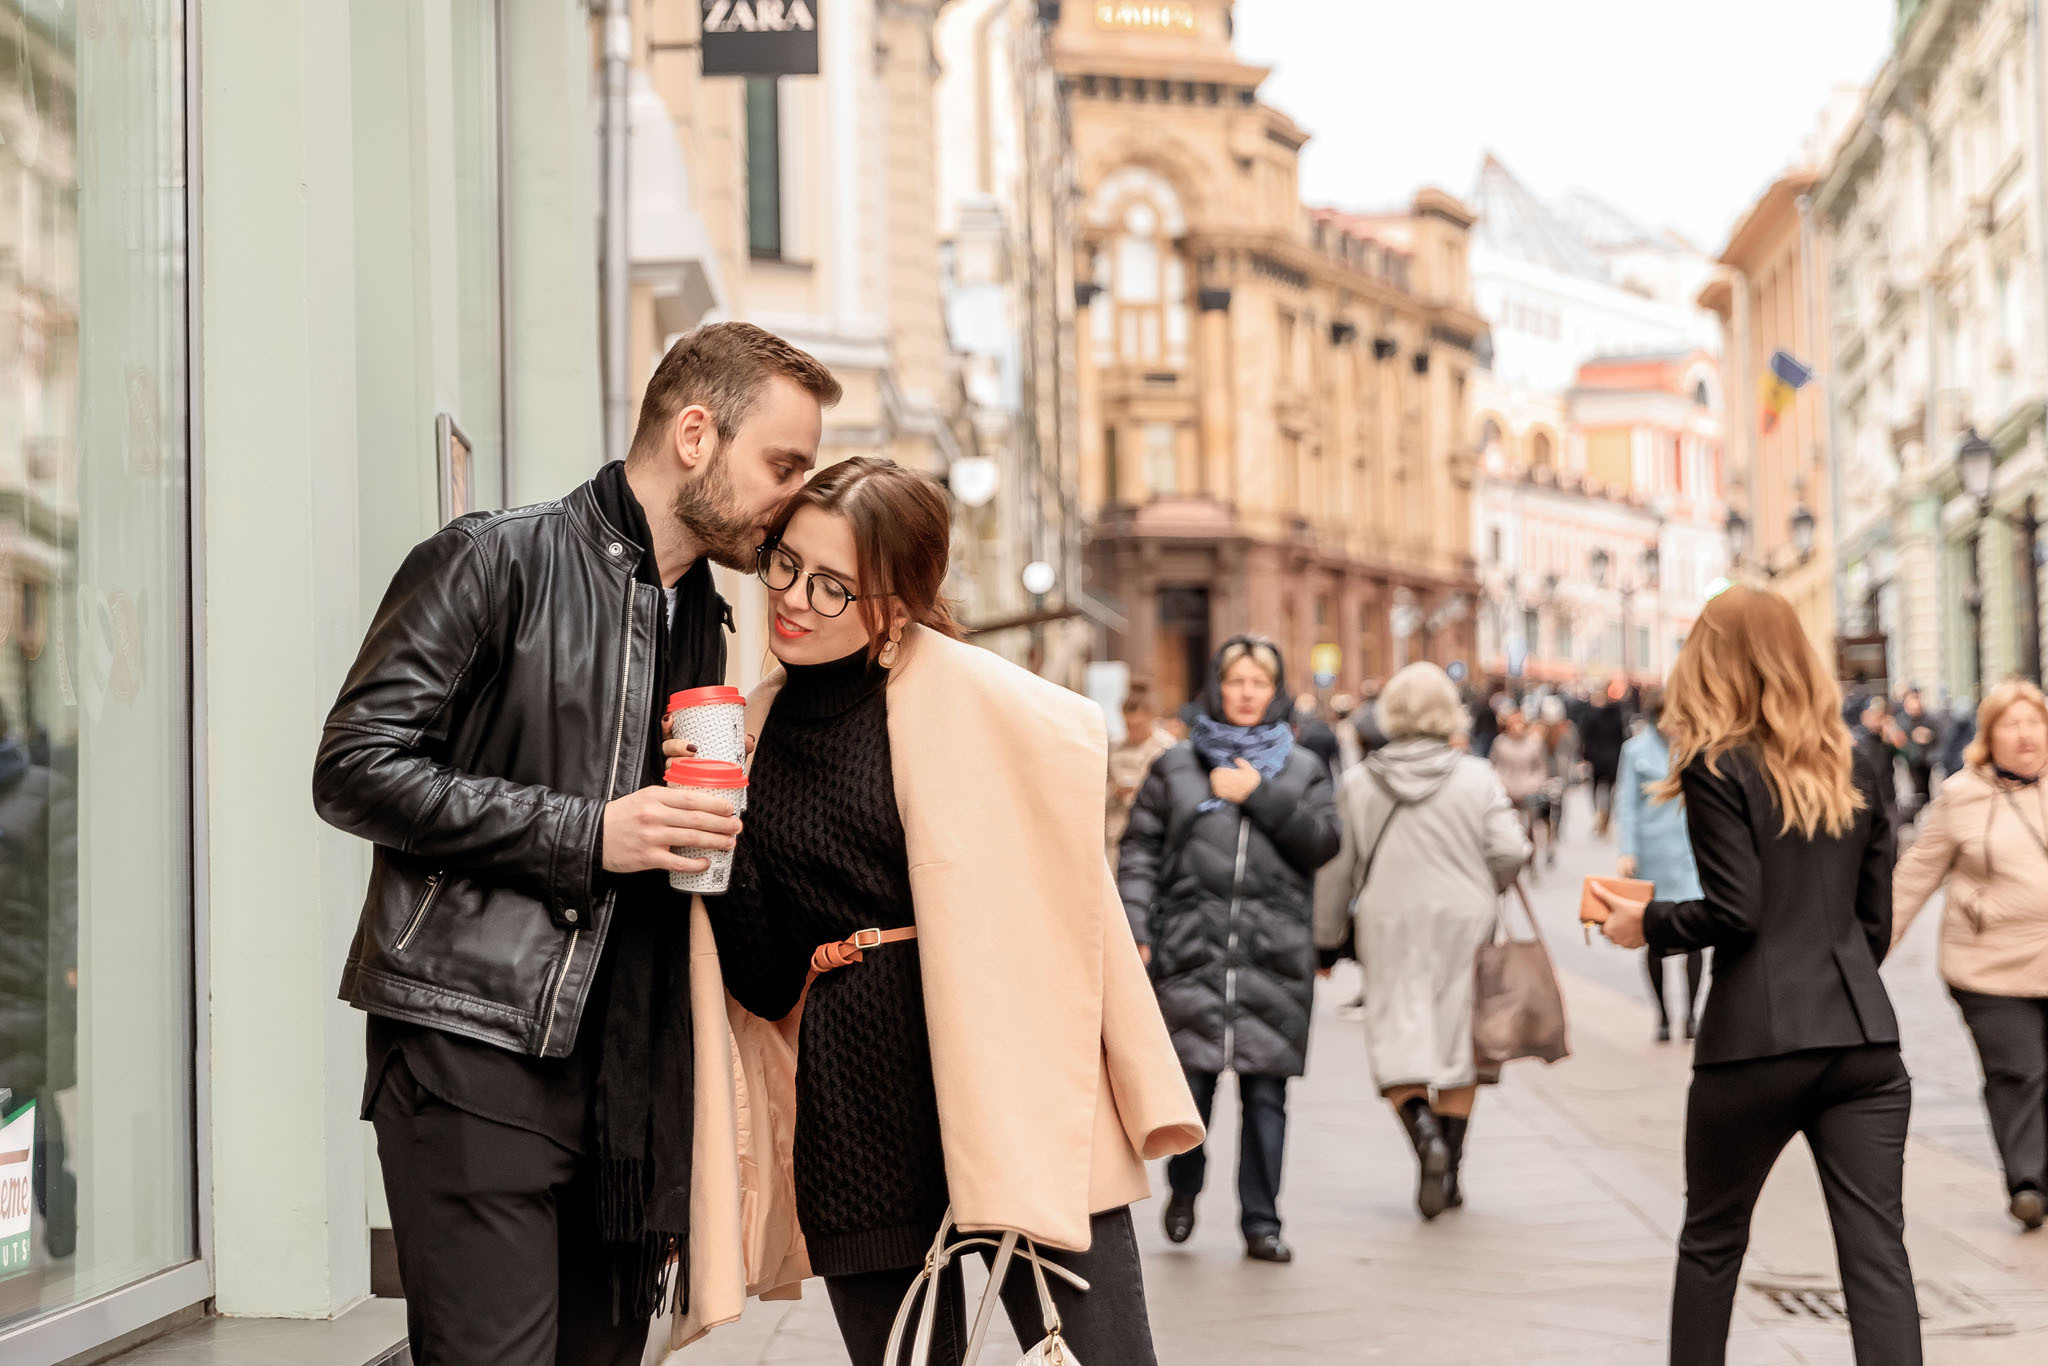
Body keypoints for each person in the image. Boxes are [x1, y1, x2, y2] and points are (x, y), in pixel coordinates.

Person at [313, 322, 843, 1366]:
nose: (793, 495)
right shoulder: (490, 558)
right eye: (782, 464)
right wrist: (590, 831)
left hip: (626, 1095)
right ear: (696, 433)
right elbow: (354, 767)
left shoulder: (705, 620)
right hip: (474, 1048)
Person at [686, 458, 1200, 1364]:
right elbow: (766, 982)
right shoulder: (750, 733)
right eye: (784, 564)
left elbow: (1074, 913)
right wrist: (714, 821)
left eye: (833, 584)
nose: (794, 599)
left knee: (1106, 1355)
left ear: (896, 600)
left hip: (1015, 1068)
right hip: (854, 1101)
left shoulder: (994, 707)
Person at [1593, 586, 1918, 1366]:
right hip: (1864, 1043)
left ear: (1713, 660)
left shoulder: (1715, 762)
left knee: (1711, 1242)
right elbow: (1875, 917)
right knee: (1877, 1256)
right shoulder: (1857, 758)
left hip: (1755, 1043)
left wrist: (1647, 925)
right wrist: (1836, 977)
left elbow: (1736, 911)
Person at [1118, 636, 1341, 1264]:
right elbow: (1139, 852)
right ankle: (1185, 1188)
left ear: (1275, 692)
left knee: (1267, 1097)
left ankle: (1262, 1222)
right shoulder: (1177, 766)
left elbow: (1324, 841)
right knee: (1189, 1093)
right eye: (1236, 681)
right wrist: (1136, 927)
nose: (1247, 693)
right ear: (1218, 687)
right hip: (1191, 949)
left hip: (1274, 955)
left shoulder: (1301, 767)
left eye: (1259, 683)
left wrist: (1258, 796)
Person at [1315, 663, 1530, 1220]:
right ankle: (1451, 1172)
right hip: (1465, 918)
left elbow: (1338, 869)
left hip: (1388, 922)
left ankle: (1424, 1138)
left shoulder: (1361, 781)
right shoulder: (1477, 776)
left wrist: (1326, 939)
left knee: (1396, 1035)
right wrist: (1485, 884)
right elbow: (1511, 850)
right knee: (1460, 1041)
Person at [1890, 678, 2048, 1231]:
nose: (2025, 735)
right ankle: (2027, 1182)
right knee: (2019, 1071)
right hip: (1990, 968)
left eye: (2035, 723)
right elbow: (1912, 880)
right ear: (1989, 736)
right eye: (2012, 724)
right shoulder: (1962, 796)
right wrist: (1861, 956)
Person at [0, 706, 78, 1261]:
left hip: (23, 977)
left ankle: (29, 1234)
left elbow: (71, 887)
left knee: (17, 1102)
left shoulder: (42, 792)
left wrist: (73, 963)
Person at [1615, 686, 1705, 1044]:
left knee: (1696, 936)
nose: (1673, 725)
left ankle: (1692, 1014)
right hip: (1651, 856)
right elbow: (1627, 804)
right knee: (1654, 936)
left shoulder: (1695, 748)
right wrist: (1627, 850)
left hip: (1689, 852)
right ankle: (1665, 1016)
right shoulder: (1634, 751)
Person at [1108, 681, 1175, 859]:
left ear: (1150, 717)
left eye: (1138, 725)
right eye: (1128, 725)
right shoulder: (1114, 748)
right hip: (1118, 833)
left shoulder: (1167, 748)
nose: (1133, 730)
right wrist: (1115, 792)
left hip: (1154, 833)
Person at [1489, 708, 1551, 871]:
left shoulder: (1534, 742)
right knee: (1508, 827)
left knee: (1530, 827)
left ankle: (1532, 861)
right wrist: (1499, 783)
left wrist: (1536, 783)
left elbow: (1541, 767)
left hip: (1528, 789)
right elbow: (1493, 765)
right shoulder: (1500, 743)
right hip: (1507, 789)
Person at [1579, 683, 1628, 838]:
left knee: (1596, 790)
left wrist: (1587, 757)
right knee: (1610, 792)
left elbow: (1586, 739)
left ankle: (1600, 816)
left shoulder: (1591, 716)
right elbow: (1623, 739)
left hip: (1597, 760)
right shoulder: (1617, 717)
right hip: (1614, 760)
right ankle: (1605, 818)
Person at [1540, 694, 1579, 854]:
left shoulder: (1568, 730)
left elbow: (1572, 749)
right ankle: (1550, 833)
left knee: (1559, 803)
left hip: (1561, 773)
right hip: (1545, 774)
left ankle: (1556, 830)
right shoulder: (1540, 732)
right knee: (1546, 806)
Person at [1897, 688, 1937, 821]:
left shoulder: (1927, 717)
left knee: (1926, 789)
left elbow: (1937, 734)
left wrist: (1929, 735)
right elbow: (1900, 740)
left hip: (1926, 760)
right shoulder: (1903, 719)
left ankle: (1926, 813)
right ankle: (1916, 814)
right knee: (1915, 790)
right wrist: (1912, 737)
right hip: (1910, 761)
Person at [1293, 692, 1340, 773]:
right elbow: (1335, 754)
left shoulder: (1300, 734)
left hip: (1307, 773)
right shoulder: (1325, 730)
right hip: (1324, 772)